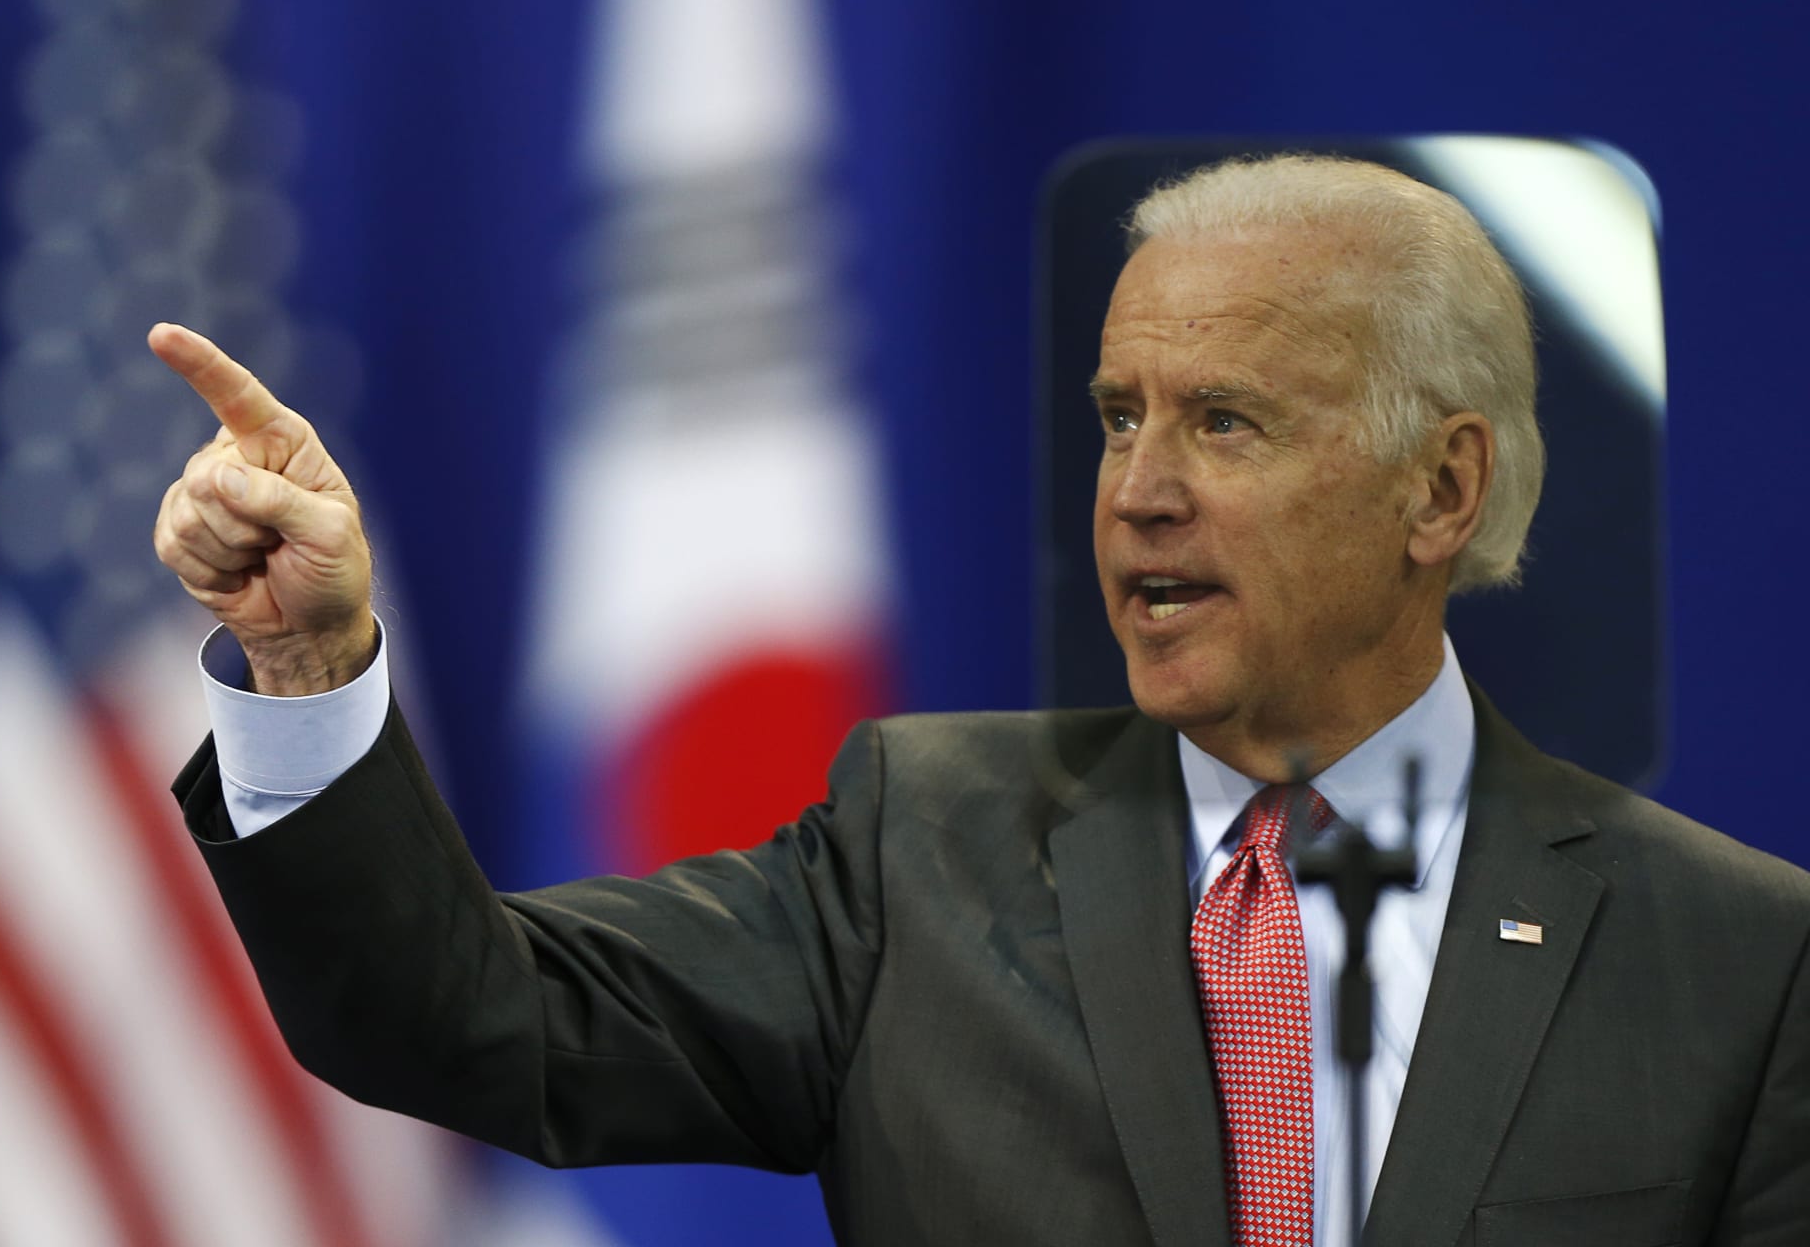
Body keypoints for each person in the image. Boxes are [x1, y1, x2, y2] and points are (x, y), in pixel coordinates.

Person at [153, 155, 1810, 1246]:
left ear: (1441, 489)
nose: (1139, 494)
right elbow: (461, 1016)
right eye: (1118, 417)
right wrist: (308, 661)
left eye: (1225, 422)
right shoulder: (920, 850)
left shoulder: (1740, 964)